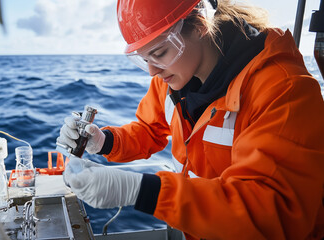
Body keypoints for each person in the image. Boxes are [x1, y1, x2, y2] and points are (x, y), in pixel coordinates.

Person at [57, 0, 324, 239]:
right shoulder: (173, 77)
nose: (152, 71)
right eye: (143, 58)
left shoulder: (283, 90)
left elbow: (272, 214)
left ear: (199, 26)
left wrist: (144, 191)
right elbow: (149, 129)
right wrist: (103, 141)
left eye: (159, 53)